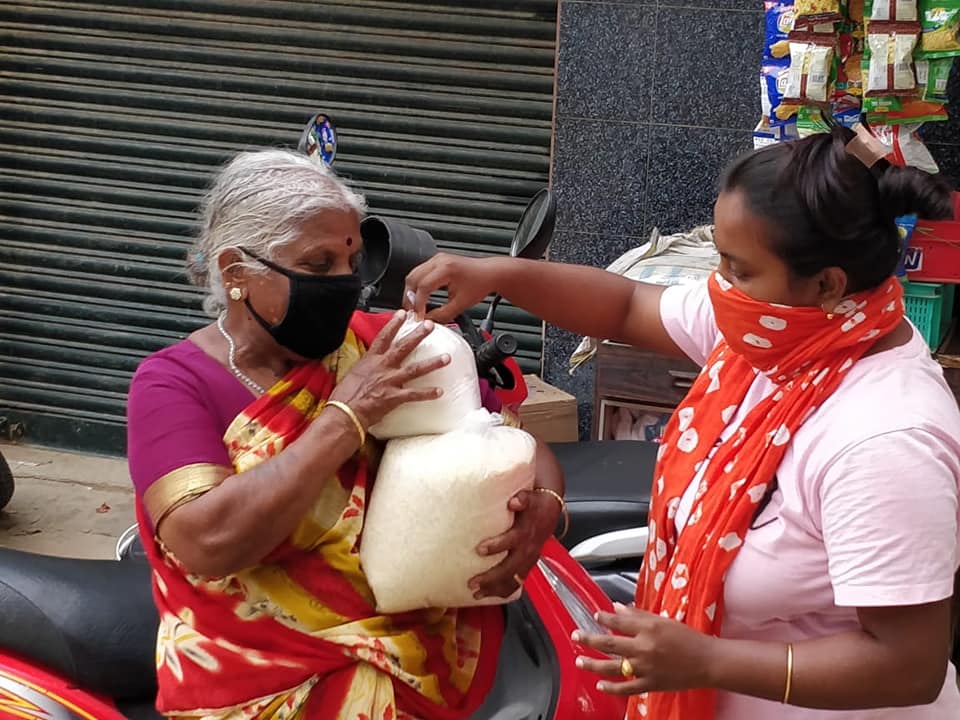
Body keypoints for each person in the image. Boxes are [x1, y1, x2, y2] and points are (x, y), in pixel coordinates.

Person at [404, 126, 960, 719]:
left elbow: (908, 664)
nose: (718, 286)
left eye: (738, 269)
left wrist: (708, 660)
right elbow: (627, 307)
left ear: (828, 283)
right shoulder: (781, 330)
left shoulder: (884, 441)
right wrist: (497, 275)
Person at [125, 149, 564, 720]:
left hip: (425, 659)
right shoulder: (173, 384)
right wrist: (346, 417)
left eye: (351, 261)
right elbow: (206, 543)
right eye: (318, 264)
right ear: (236, 272)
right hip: (252, 684)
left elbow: (513, 443)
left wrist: (544, 504)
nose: (345, 283)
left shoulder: (386, 346)